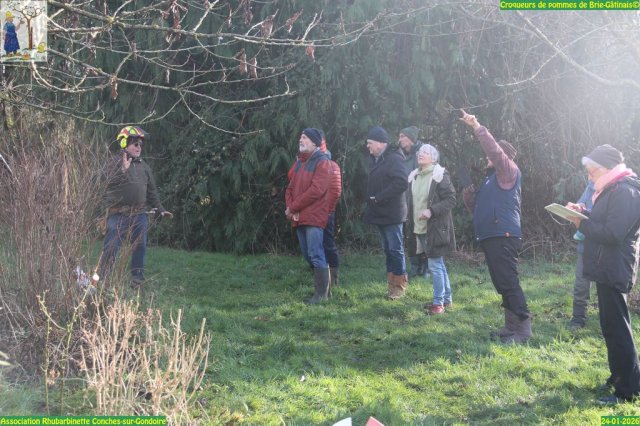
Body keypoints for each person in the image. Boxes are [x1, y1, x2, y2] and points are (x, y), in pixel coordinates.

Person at [566, 144, 640, 404]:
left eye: (592, 171)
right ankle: (619, 376)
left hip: (615, 266)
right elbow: (604, 222)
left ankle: (628, 390)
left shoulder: (626, 191)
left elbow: (613, 233)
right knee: (610, 326)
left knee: (618, 329)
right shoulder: (612, 188)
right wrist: (582, 213)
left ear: (607, 168)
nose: (589, 177)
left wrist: (582, 224)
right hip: (606, 266)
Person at [460, 109, 532, 344]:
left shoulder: (509, 171)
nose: (487, 157)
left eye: (492, 155)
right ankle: (510, 327)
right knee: (501, 283)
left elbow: (494, 151)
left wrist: (477, 127)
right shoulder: (491, 179)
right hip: (492, 235)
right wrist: (468, 195)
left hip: (504, 235)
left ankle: (523, 329)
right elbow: (478, 211)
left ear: (503, 156)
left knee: (508, 282)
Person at [99, 126, 173, 288]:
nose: (139, 147)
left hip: (139, 214)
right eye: (136, 144)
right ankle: (103, 279)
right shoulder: (113, 163)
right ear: (124, 143)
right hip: (117, 214)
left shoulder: (144, 167)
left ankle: (137, 280)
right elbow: (103, 182)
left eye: (141, 144)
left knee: (140, 245)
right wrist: (122, 170)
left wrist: (161, 209)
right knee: (111, 247)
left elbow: (151, 192)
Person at [285, 128, 333, 304]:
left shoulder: (323, 162)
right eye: (300, 137)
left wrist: (293, 207)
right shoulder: (300, 162)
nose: (301, 140)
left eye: (304, 137)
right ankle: (326, 292)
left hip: (313, 217)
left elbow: (316, 190)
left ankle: (321, 296)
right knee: (307, 255)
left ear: (314, 142)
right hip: (299, 216)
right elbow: (290, 188)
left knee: (316, 254)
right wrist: (290, 207)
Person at [408, 144, 456, 314]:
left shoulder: (439, 175)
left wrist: (431, 211)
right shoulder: (414, 176)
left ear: (434, 158)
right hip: (419, 227)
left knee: (434, 265)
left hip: (435, 228)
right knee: (438, 264)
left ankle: (438, 304)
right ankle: (446, 300)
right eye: (419, 152)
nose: (420, 154)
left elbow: (451, 199)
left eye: (425, 152)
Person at [364, 125, 409, 299]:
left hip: (392, 214)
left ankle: (399, 287)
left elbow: (401, 183)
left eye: (370, 142)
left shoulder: (394, 159)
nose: (367, 146)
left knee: (395, 249)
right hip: (380, 213)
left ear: (380, 143)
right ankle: (391, 285)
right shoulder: (376, 159)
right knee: (388, 250)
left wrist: (379, 197)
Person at [398, 126, 428, 280]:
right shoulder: (403, 156)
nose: (399, 140)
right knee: (410, 236)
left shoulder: (424, 153)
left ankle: (427, 269)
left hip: (422, 202)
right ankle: (415, 268)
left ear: (410, 139)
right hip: (407, 203)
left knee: (424, 236)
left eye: (402, 136)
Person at [566, 180, 595, 331]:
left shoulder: (616, 188)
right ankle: (578, 319)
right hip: (585, 245)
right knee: (581, 285)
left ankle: (611, 321)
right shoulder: (590, 186)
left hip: (606, 247)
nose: (590, 176)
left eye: (592, 172)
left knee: (607, 287)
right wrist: (575, 208)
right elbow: (581, 204)